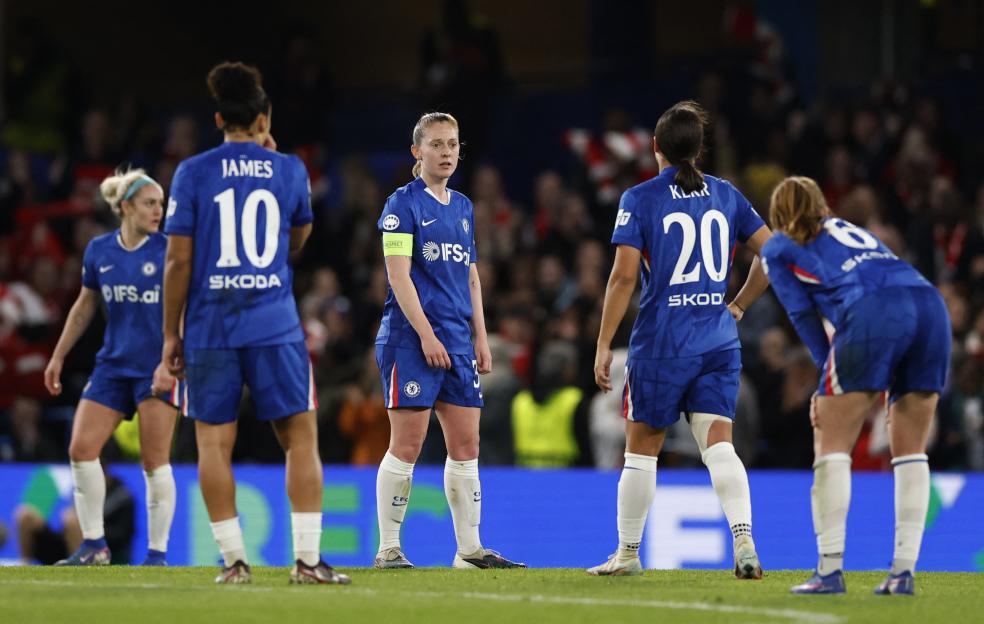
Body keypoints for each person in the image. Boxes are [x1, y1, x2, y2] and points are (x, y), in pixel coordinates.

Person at [161, 61, 349, 585]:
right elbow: (296, 240)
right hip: (274, 324)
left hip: (210, 326)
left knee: (213, 445)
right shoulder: (289, 169)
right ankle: (308, 563)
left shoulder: (192, 172)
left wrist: (171, 334)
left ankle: (234, 563)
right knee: (301, 440)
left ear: (219, 118)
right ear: (264, 117)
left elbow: (177, 260)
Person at [590, 101, 772, 578]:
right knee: (719, 448)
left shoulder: (640, 198)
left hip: (662, 345)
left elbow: (623, 279)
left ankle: (627, 554)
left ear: (655, 147)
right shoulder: (727, 195)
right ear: (700, 149)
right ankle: (743, 538)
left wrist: (604, 342)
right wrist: (737, 306)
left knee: (640, 451)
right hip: (717, 342)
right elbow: (772, 255)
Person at [762, 176, 949, 596]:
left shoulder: (777, 246)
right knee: (911, 451)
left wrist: (823, 382)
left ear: (778, 214)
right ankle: (902, 573)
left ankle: (829, 571)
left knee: (831, 446)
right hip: (928, 304)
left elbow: (804, 319)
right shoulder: (850, 230)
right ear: (821, 204)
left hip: (872, 312)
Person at [372, 111, 524, 570]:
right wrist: (426, 335)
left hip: (457, 341)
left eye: (453, 144)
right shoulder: (401, 206)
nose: (446, 152)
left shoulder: (462, 207)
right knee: (409, 444)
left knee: (467, 446)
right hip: (410, 339)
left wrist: (480, 336)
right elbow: (399, 278)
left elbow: (471, 277)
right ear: (416, 151)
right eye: (436, 144)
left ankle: (469, 551)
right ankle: (389, 548)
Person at [42, 168, 179, 566]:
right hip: (113, 366)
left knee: (155, 461)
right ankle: (93, 545)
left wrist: (173, 358)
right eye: (150, 203)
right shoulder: (99, 251)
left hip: (156, 368)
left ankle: (157, 554)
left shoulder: (170, 250)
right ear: (125, 207)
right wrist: (58, 355)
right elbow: (85, 306)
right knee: (81, 449)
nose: (159, 210)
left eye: (161, 204)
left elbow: (186, 309)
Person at [15, 471, 136, 565]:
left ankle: (77, 568)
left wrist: (90, 532)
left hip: (102, 549)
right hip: (65, 545)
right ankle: (25, 564)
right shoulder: (80, 490)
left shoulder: (122, 497)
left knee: (73, 520)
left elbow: (123, 534)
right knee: (25, 515)